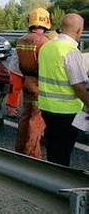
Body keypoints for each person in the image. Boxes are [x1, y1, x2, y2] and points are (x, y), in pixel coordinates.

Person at [38, 13, 89, 166]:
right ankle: (59, 184)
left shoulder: (47, 47)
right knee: (63, 153)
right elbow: (79, 86)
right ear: (79, 30)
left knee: (54, 149)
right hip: (67, 112)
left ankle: (52, 178)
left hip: (46, 107)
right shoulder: (71, 52)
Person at [14, 8, 51, 159]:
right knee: (36, 123)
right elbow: (47, 66)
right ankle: (32, 156)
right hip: (39, 85)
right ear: (46, 22)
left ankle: (20, 151)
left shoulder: (21, 40)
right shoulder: (45, 42)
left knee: (25, 118)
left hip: (27, 82)